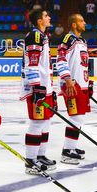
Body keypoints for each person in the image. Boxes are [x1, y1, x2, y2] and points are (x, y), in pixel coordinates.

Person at [20, 9, 57, 174]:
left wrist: (50, 89)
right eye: (46, 16)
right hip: (38, 88)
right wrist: (36, 87)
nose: (49, 17)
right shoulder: (34, 36)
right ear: (39, 20)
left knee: (46, 121)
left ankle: (40, 155)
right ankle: (30, 160)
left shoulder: (43, 36)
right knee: (37, 122)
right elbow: (32, 64)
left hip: (45, 87)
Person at [56, 14, 90, 165]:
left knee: (79, 117)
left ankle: (72, 147)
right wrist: (67, 79)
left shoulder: (81, 41)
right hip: (71, 84)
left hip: (81, 84)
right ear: (74, 25)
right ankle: (66, 152)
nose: (85, 23)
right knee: (75, 117)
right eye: (81, 21)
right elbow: (61, 60)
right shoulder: (68, 40)